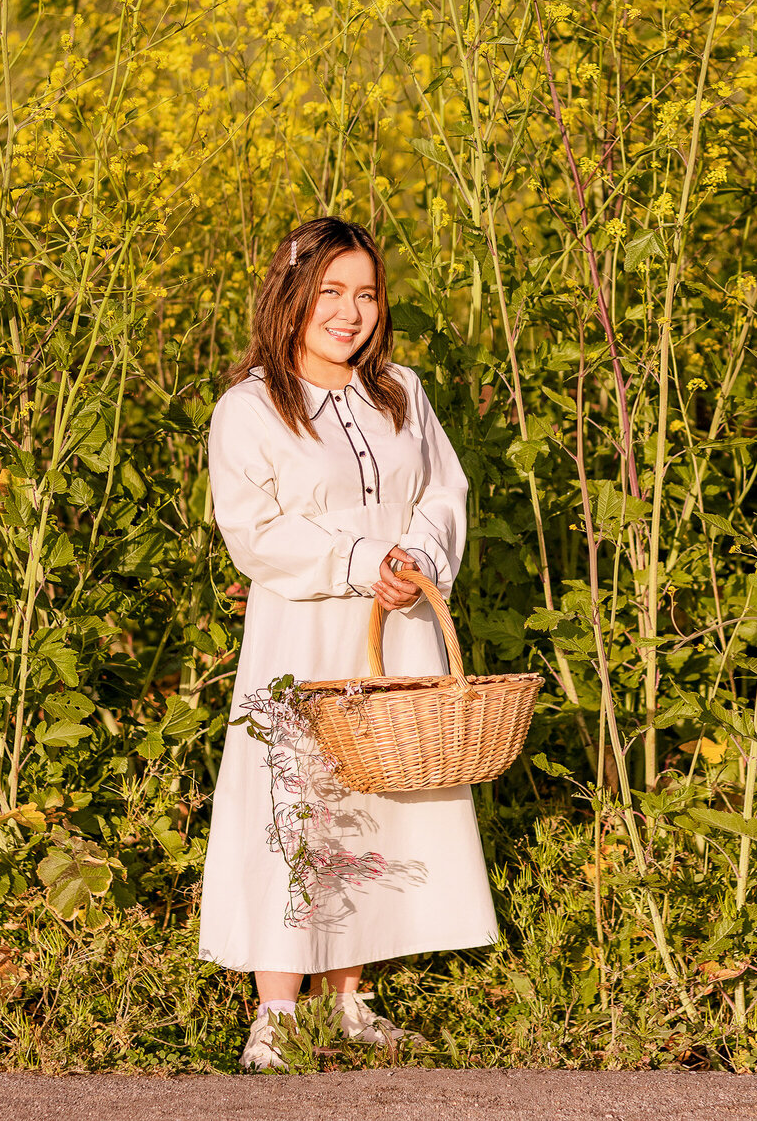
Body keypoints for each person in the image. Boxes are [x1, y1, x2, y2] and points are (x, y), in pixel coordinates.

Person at [199, 215, 497, 1070]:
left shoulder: (399, 390)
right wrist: (365, 557)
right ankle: (277, 1012)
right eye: (331, 291)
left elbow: (444, 491)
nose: (350, 312)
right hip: (306, 624)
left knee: (375, 801)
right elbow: (253, 530)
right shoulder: (251, 406)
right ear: (292, 296)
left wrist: (418, 558)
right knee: (294, 800)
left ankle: (350, 999)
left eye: (365, 294)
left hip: (393, 623)